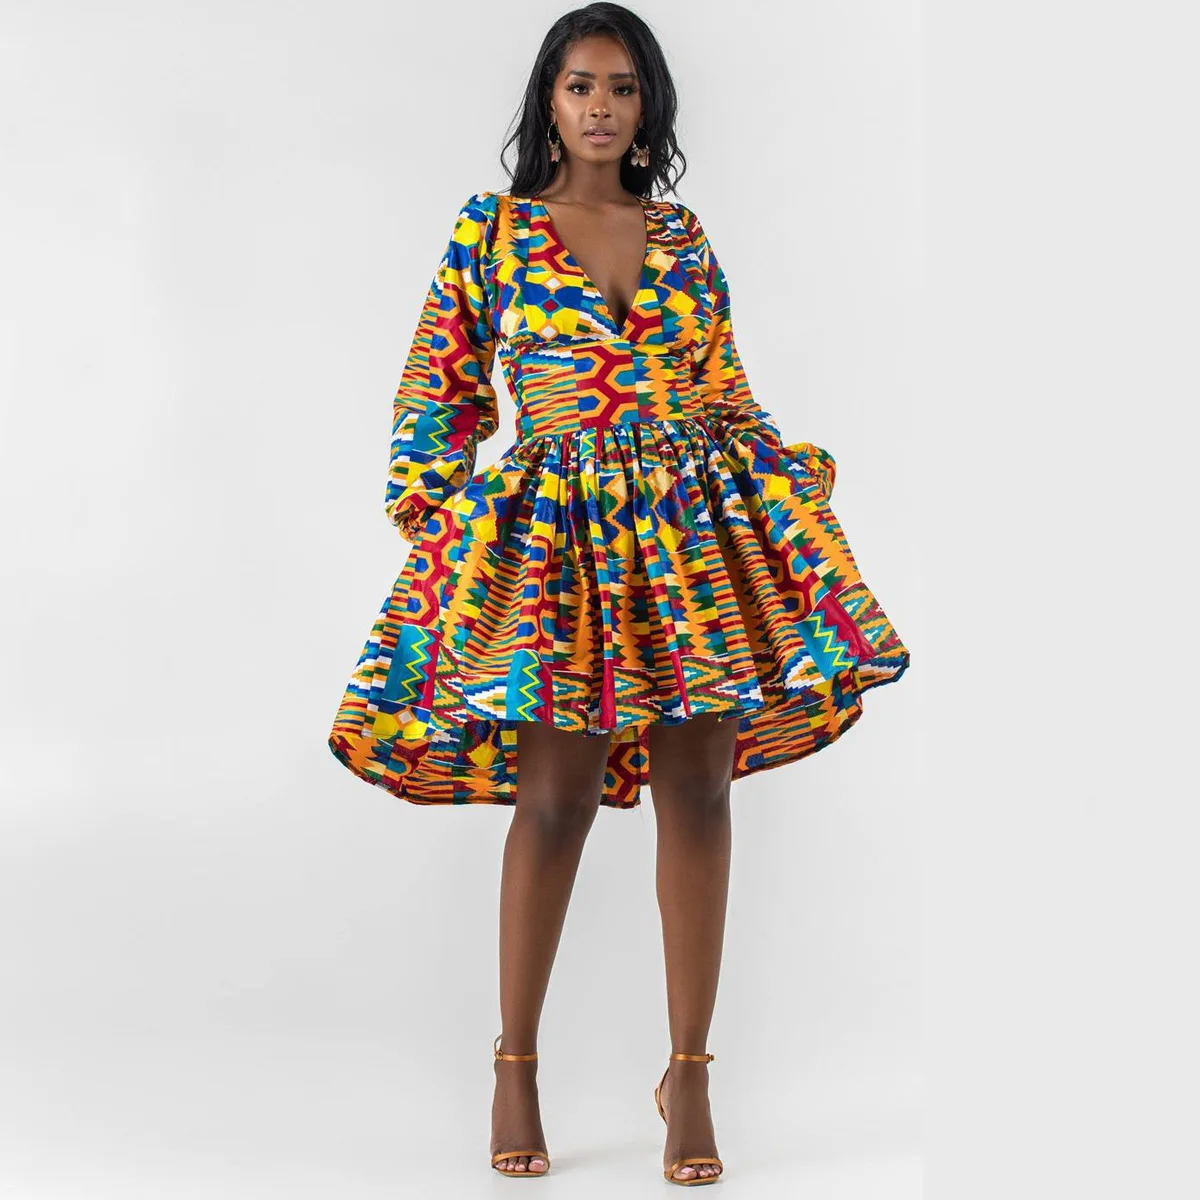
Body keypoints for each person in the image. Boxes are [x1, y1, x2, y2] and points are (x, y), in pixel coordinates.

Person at [327, 1, 910, 1185]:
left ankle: (689, 1073)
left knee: (701, 788)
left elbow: (723, 386)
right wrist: (437, 519)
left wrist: (782, 484)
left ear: (650, 110)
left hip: (691, 536)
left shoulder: (683, 235)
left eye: (624, 88)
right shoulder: (492, 231)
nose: (602, 106)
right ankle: (516, 1064)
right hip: (562, 541)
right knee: (556, 797)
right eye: (582, 85)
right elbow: (439, 388)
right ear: (548, 101)